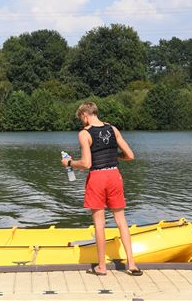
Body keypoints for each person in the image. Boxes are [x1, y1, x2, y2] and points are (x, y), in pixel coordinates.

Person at [61, 102, 142, 276]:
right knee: (121, 221)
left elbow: (86, 164)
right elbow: (130, 155)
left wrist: (69, 163)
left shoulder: (84, 133)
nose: (82, 122)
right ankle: (132, 265)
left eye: (81, 118)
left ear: (84, 115)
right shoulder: (113, 129)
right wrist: (114, 155)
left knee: (99, 223)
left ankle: (101, 267)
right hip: (114, 175)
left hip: (97, 177)